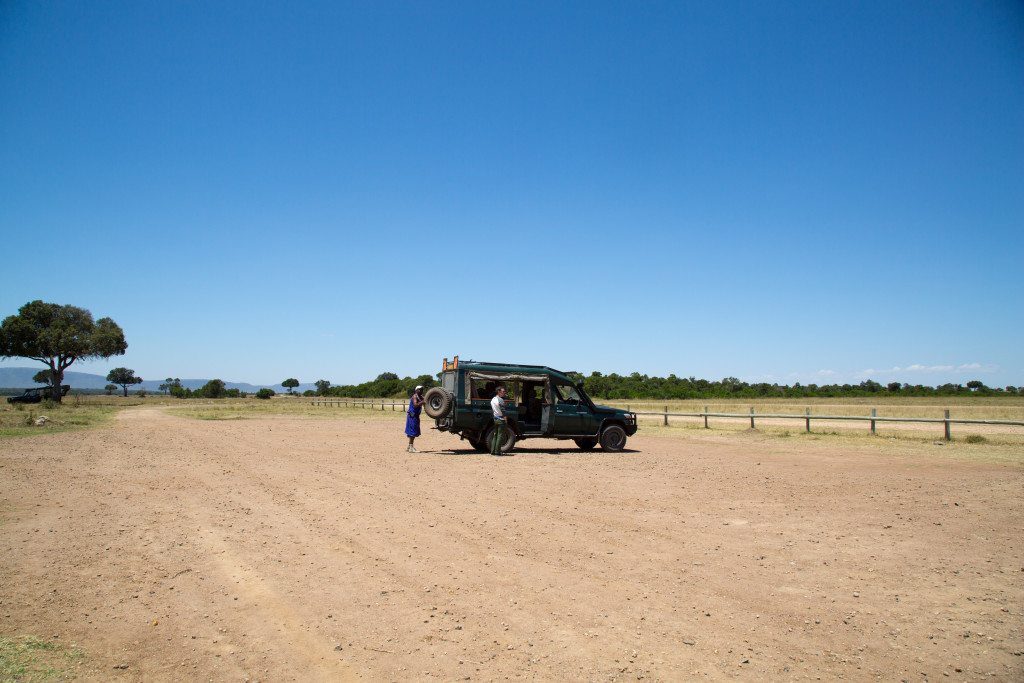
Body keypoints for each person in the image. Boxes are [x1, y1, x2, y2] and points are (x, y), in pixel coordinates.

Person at [489, 385, 510, 455]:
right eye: (503, 391)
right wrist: (505, 420)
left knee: (495, 435)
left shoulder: (493, 399)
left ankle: (492, 451)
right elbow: (503, 411)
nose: (504, 393)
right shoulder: (500, 400)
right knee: (500, 436)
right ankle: (497, 451)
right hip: (501, 419)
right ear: (498, 392)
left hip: (495, 418)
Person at [405, 385, 425, 452]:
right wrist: (422, 402)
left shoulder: (421, 397)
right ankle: (411, 447)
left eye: (422, 389)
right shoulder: (414, 396)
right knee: (412, 431)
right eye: (420, 389)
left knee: (414, 430)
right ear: (416, 390)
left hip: (416, 416)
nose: (421, 391)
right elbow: (415, 405)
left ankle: (409, 446)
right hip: (412, 416)